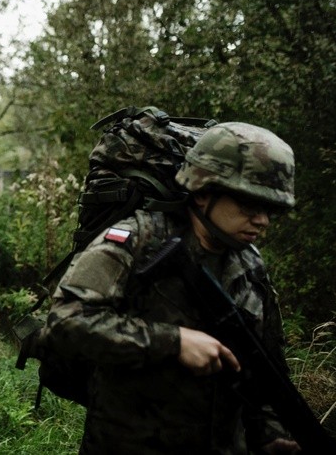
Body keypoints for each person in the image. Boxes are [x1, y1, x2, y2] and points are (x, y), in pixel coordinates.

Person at [43, 122, 301, 455]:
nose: (262, 220)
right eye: (249, 205)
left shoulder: (250, 265)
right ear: (203, 190)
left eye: (270, 209)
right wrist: (172, 342)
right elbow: (64, 323)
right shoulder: (136, 242)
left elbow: (267, 364)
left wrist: (270, 433)